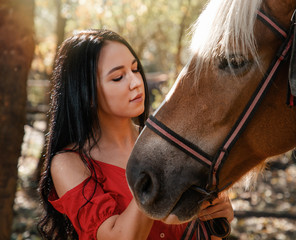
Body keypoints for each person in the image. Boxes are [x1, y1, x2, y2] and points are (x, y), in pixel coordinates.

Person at [37, 29, 234, 240]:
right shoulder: (69, 163)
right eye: (118, 77)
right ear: (87, 94)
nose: (136, 82)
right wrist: (156, 169)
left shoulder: (169, 145)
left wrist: (219, 216)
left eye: (135, 69)